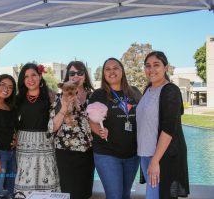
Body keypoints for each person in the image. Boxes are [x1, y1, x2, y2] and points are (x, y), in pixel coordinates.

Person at [136, 51, 189, 199]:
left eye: (156, 65)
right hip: (146, 154)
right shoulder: (148, 89)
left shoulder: (170, 90)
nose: (151, 69)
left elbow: (169, 129)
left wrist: (155, 161)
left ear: (166, 67)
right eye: (148, 66)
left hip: (161, 157)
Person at [88, 58, 141, 199]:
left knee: (125, 195)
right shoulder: (99, 94)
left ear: (122, 71)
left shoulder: (134, 92)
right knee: (115, 196)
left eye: (115, 68)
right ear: (104, 74)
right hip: (107, 153)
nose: (112, 71)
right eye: (107, 69)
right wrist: (99, 131)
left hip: (132, 154)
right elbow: (91, 120)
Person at [48, 61, 95, 199]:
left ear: (85, 76)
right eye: (72, 73)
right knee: (68, 193)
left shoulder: (94, 97)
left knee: (84, 192)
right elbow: (52, 127)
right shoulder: (58, 98)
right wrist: (63, 108)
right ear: (67, 76)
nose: (76, 76)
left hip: (88, 153)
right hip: (65, 152)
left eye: (80, 73)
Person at [14, 63, 60, 197]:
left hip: (45, 143)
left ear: (40, 76)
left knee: (47, 176)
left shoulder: (51, 96)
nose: (30, 79)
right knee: (25, 178)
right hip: (23, 143)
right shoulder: (18, 98)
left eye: (33, 75)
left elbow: (58, 120)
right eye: (26, 76)